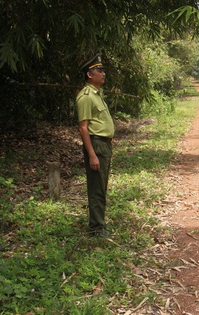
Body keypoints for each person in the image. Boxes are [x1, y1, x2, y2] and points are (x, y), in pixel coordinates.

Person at [76, 53, 115, 237]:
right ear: (89, 74)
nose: (103, 73)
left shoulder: (97, 94)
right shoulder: (85, 97)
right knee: (96, 188)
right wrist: (91, 154)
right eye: (99, 70)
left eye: (103, 70)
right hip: (96, 145)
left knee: (101, 186)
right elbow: (83, 127)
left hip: (104, 145)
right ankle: (96, 228)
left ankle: (99, 224)